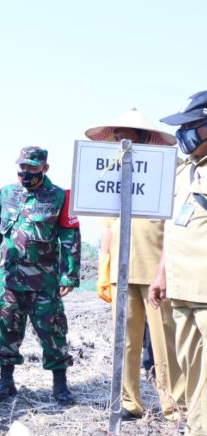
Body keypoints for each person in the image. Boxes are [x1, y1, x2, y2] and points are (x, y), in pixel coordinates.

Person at [89, 109, 185, 421]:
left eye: (131, 134)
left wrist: (169, 268)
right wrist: (104, 268)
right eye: (118, 135)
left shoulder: (167, 172)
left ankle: (174, 405)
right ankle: (129, 402)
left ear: (146, 137)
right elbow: (107, 225)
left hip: (158, 267)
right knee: (125, 342)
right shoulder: (109, 173)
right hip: (121, 269)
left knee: (164, 342)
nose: (123, 140)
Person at [0, 146, 80, 406]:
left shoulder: (60, 196)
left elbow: (70, 237)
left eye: (32, 168)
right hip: (10, 280)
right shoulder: (5, 194)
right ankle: (5, 381)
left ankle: (60, 386)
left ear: (45, 168)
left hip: (44, 282)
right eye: (22, 167)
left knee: (52, 331)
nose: (26, 172)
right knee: (6, 329)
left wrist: (70, 274)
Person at [150, 90, 207, 435]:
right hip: (183, 290)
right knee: (192, 370)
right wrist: (161, 274)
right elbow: (173, 229)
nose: (184, 133)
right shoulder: (183, 171)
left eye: (192, 126)